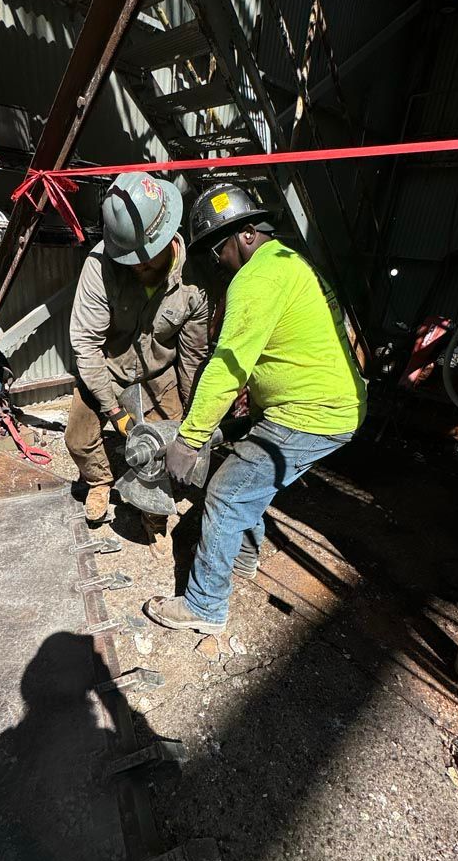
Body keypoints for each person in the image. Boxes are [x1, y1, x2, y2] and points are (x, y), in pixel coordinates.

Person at [144, 182, 367, 632]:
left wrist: (189, 439)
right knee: (250, 477)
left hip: (311, 412)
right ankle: (242, 558)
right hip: (332, 404)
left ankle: (204, 606)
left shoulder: (257, 277)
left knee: (227, 491)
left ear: (244, 236)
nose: (216, 262)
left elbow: (227, 368)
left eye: (217, 249)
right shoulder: (288, 262)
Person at [66, 171, 210, 553]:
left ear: (167, 235)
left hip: (159, 374)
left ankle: (155, 519)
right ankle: (99, 481)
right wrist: (114, 409)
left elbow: (193, 355)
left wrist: (191, 415)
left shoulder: (196, 279)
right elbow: (86, 345)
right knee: (78, 440)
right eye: (129, 261)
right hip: (108, 370)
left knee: (163, 448)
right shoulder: (99, 267)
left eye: (145, 262)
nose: (137, 268)